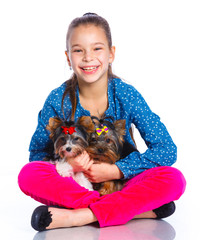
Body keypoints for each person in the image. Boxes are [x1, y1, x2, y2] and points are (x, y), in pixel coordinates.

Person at [18, 13, 186, 231]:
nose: (88, 57)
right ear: (68, 57)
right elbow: (37, 156)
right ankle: (136, 210)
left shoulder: (126, 94)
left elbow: (167, 150)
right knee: (28, 175)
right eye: (78, 50)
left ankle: (79, 217)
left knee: (174, 179)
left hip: (121, 184)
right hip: (77, 184)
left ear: (111, 54)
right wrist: (70, 165)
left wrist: (116, 171)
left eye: (97, 48)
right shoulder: (57, 99)